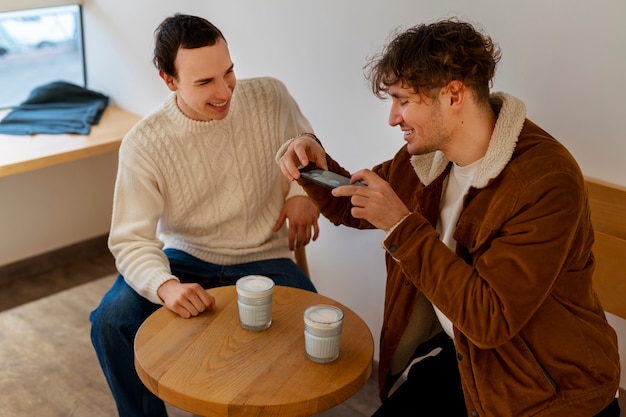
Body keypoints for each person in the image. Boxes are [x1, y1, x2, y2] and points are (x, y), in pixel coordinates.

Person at [278, 18, 621, 417]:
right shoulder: (427, 159)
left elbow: (490, 318)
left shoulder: (545, 181)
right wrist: (310, 158)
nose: (393, 118)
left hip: (546, 394)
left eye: (403, 100)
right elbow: (355, 206)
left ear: (453, 95)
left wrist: (403, 226)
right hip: (469, 364)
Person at [90, 14, 319, 417]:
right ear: (169, 80)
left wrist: (303, 192)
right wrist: (164, 286)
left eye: (228, 73)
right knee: (111, 321)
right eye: (204, 82)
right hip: (185, 257)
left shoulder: (270, 96)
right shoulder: (145, 143)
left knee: (311, 326)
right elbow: (130, 240)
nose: (224, 91)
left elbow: (309, 149)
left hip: (265, 255)